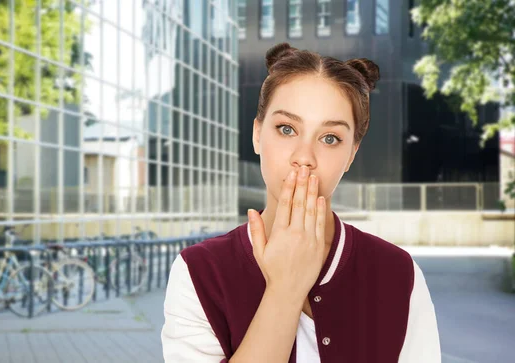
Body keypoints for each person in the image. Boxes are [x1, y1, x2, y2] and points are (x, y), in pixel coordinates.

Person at [161, 43, 441, 363]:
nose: (304, 158)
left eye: (330, 138)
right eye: (286, 129)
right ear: (257, 134)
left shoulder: (399, 274)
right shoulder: (198, 272)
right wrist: (285, 290)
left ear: (351, 154)